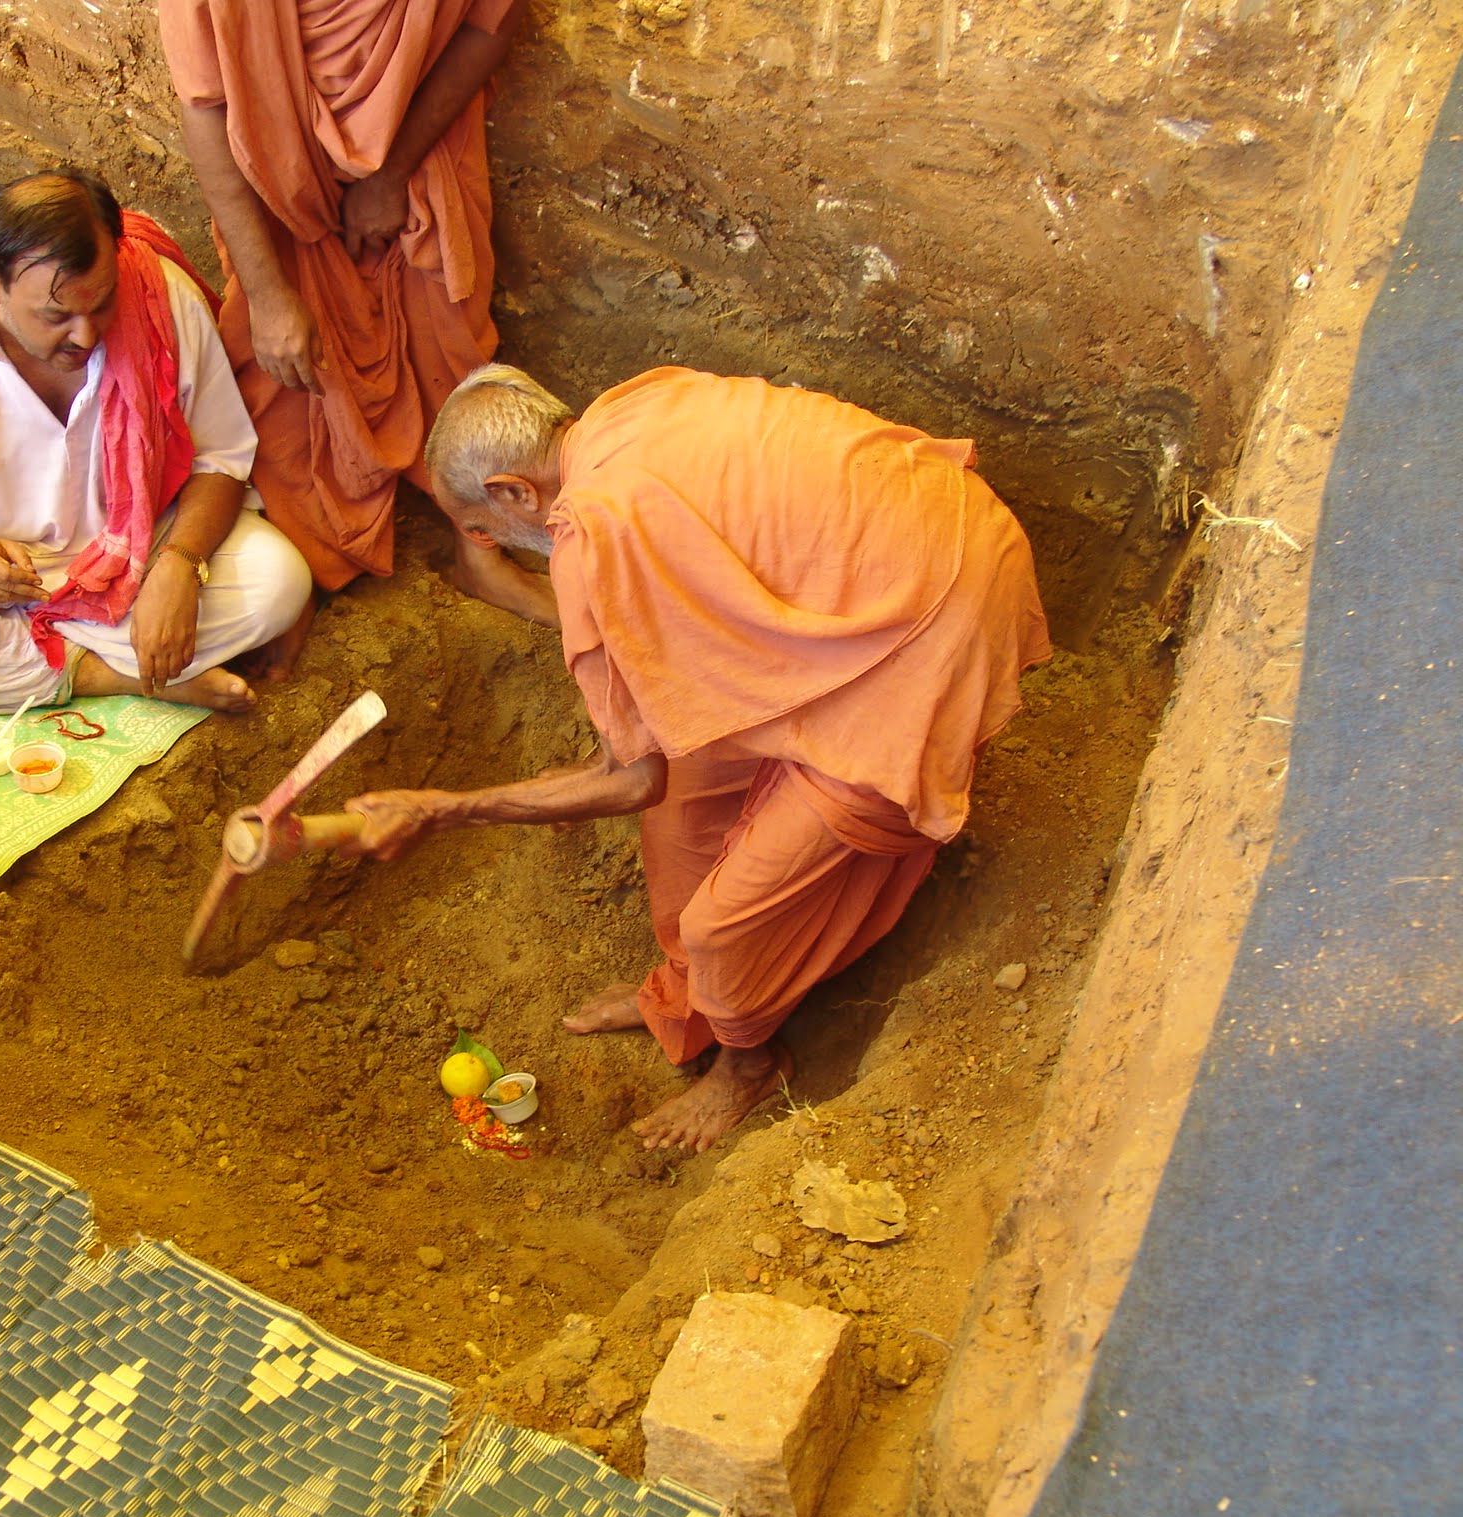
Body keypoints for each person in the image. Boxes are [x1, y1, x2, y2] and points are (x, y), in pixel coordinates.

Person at [348, 365, 1053, 1151]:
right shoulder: (623, 406)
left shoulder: (590, 531)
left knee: (721, 925)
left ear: (515, 492)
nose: (491, 546)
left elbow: (632, 778)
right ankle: (689, 998)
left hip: (936, 618)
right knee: (685, 811)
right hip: (888, 563)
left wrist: (448, 808)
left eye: (481, 527)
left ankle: (749, 1063)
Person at [0, 170, 310, 716]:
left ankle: (20, 657)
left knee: (277, 584)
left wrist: (179, 567)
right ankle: (104, 673)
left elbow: (221, 457)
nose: (86, 336)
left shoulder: (161, 297)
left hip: (137, 547)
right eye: (56, 316)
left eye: (100, 306)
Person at [159, 0, 555, 672]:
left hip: (417, 141)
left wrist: (392, 172)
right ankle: (301, 571)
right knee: (285, 384)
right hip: (278, 178)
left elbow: (490, 23)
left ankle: (479, 551)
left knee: (448, 343)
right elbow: (206, 105)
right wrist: (268, 292)